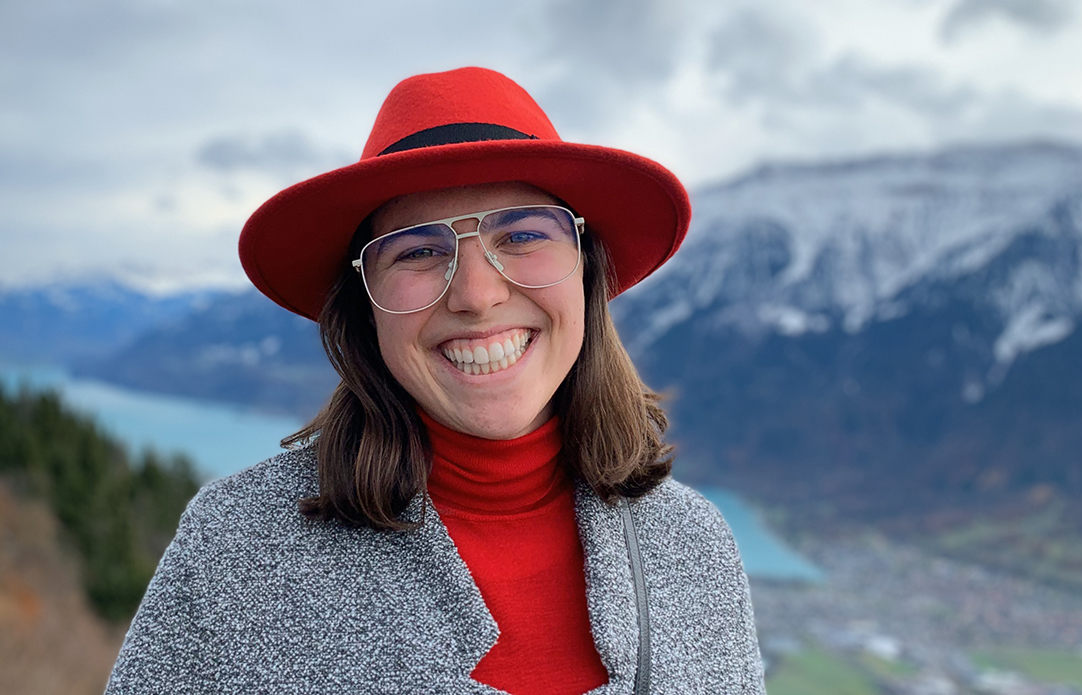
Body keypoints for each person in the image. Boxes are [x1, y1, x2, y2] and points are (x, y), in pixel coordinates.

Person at [106, 67, 765, 694]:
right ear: (365, 303)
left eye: (525, 235)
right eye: (420, 250)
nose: (477, 295)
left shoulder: (696, 549)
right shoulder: (235, 551)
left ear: (586, 273)